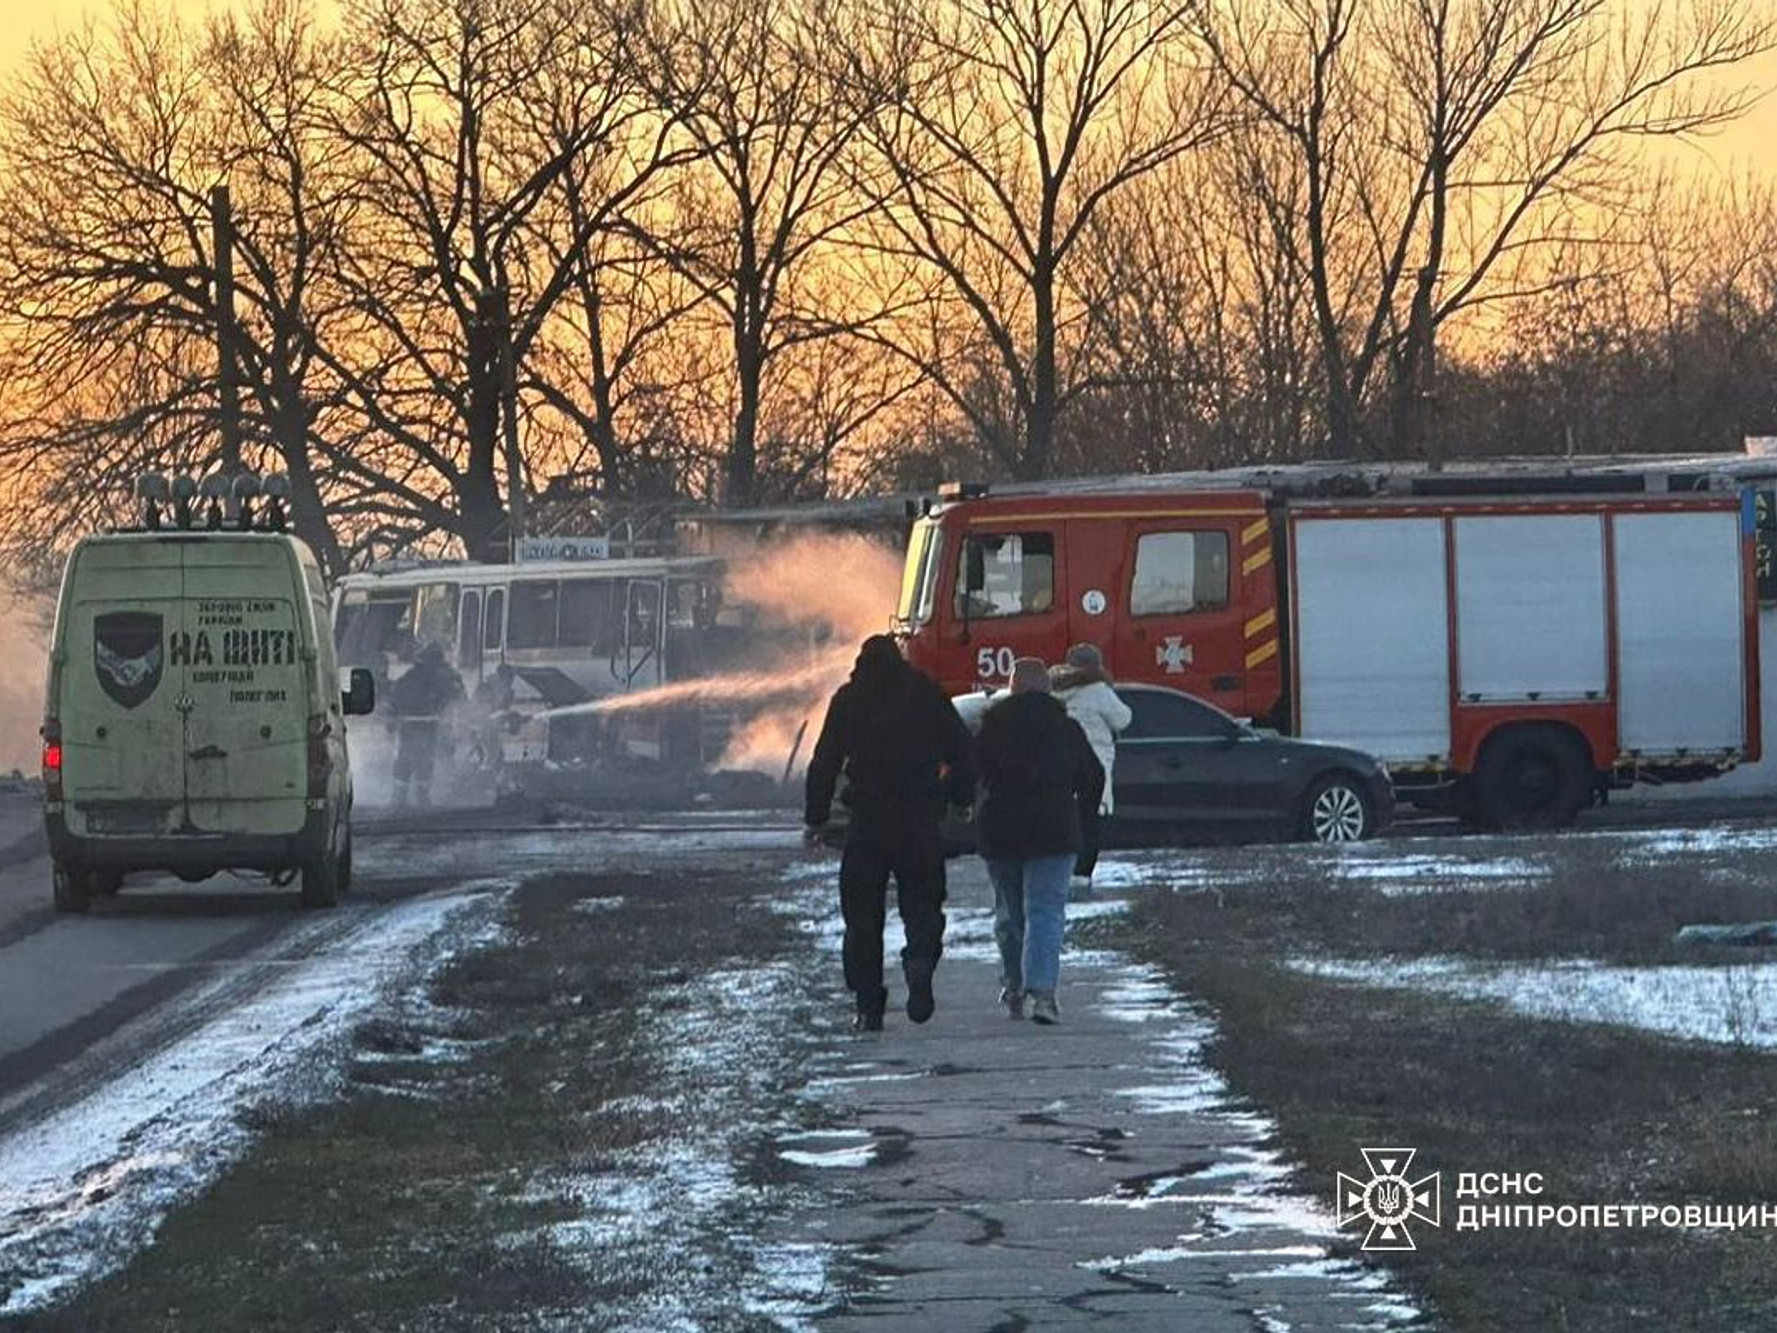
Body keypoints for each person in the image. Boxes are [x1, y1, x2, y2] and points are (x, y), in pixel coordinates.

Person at [805, 635, 975, 1032]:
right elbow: (962, 751)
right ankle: (919, 960)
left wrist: (816, 817)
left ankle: (868, 1005)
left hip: (867, 821)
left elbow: (825, 759)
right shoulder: (925, 693)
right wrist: (959, 797)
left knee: (862, 916)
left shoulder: (848, 698)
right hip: (920, 820)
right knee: (923, 902)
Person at [975, 657, 1104, 1025]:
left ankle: (1014, 984)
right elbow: (1092, 776)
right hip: (1054, 831)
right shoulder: (1067, 729)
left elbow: (975, 774)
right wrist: (1081, 811)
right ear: (1049, 689)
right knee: (1046, 912)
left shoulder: (991, 727)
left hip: (1001, 833)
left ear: (1012, 687)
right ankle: (1044, 995)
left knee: (1010, 914)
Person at [1050, 643, 1132, 894]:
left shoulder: (1054, 690)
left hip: (1058, 766)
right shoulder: (1097, 690)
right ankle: (1082, 877)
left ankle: (1062, 871)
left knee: (1063, 821)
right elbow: (1123, 718)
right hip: (1093, 763)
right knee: (1089, 823)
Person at [388, 639, 466, 809]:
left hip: (408, 725)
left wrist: (392, 719)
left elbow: (394, 698)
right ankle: (421, 798)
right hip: (429, 724)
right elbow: (459, 696)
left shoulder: (409, 676)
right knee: (424, 760)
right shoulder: (444, 675)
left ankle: (399, 797)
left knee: (405, 760)